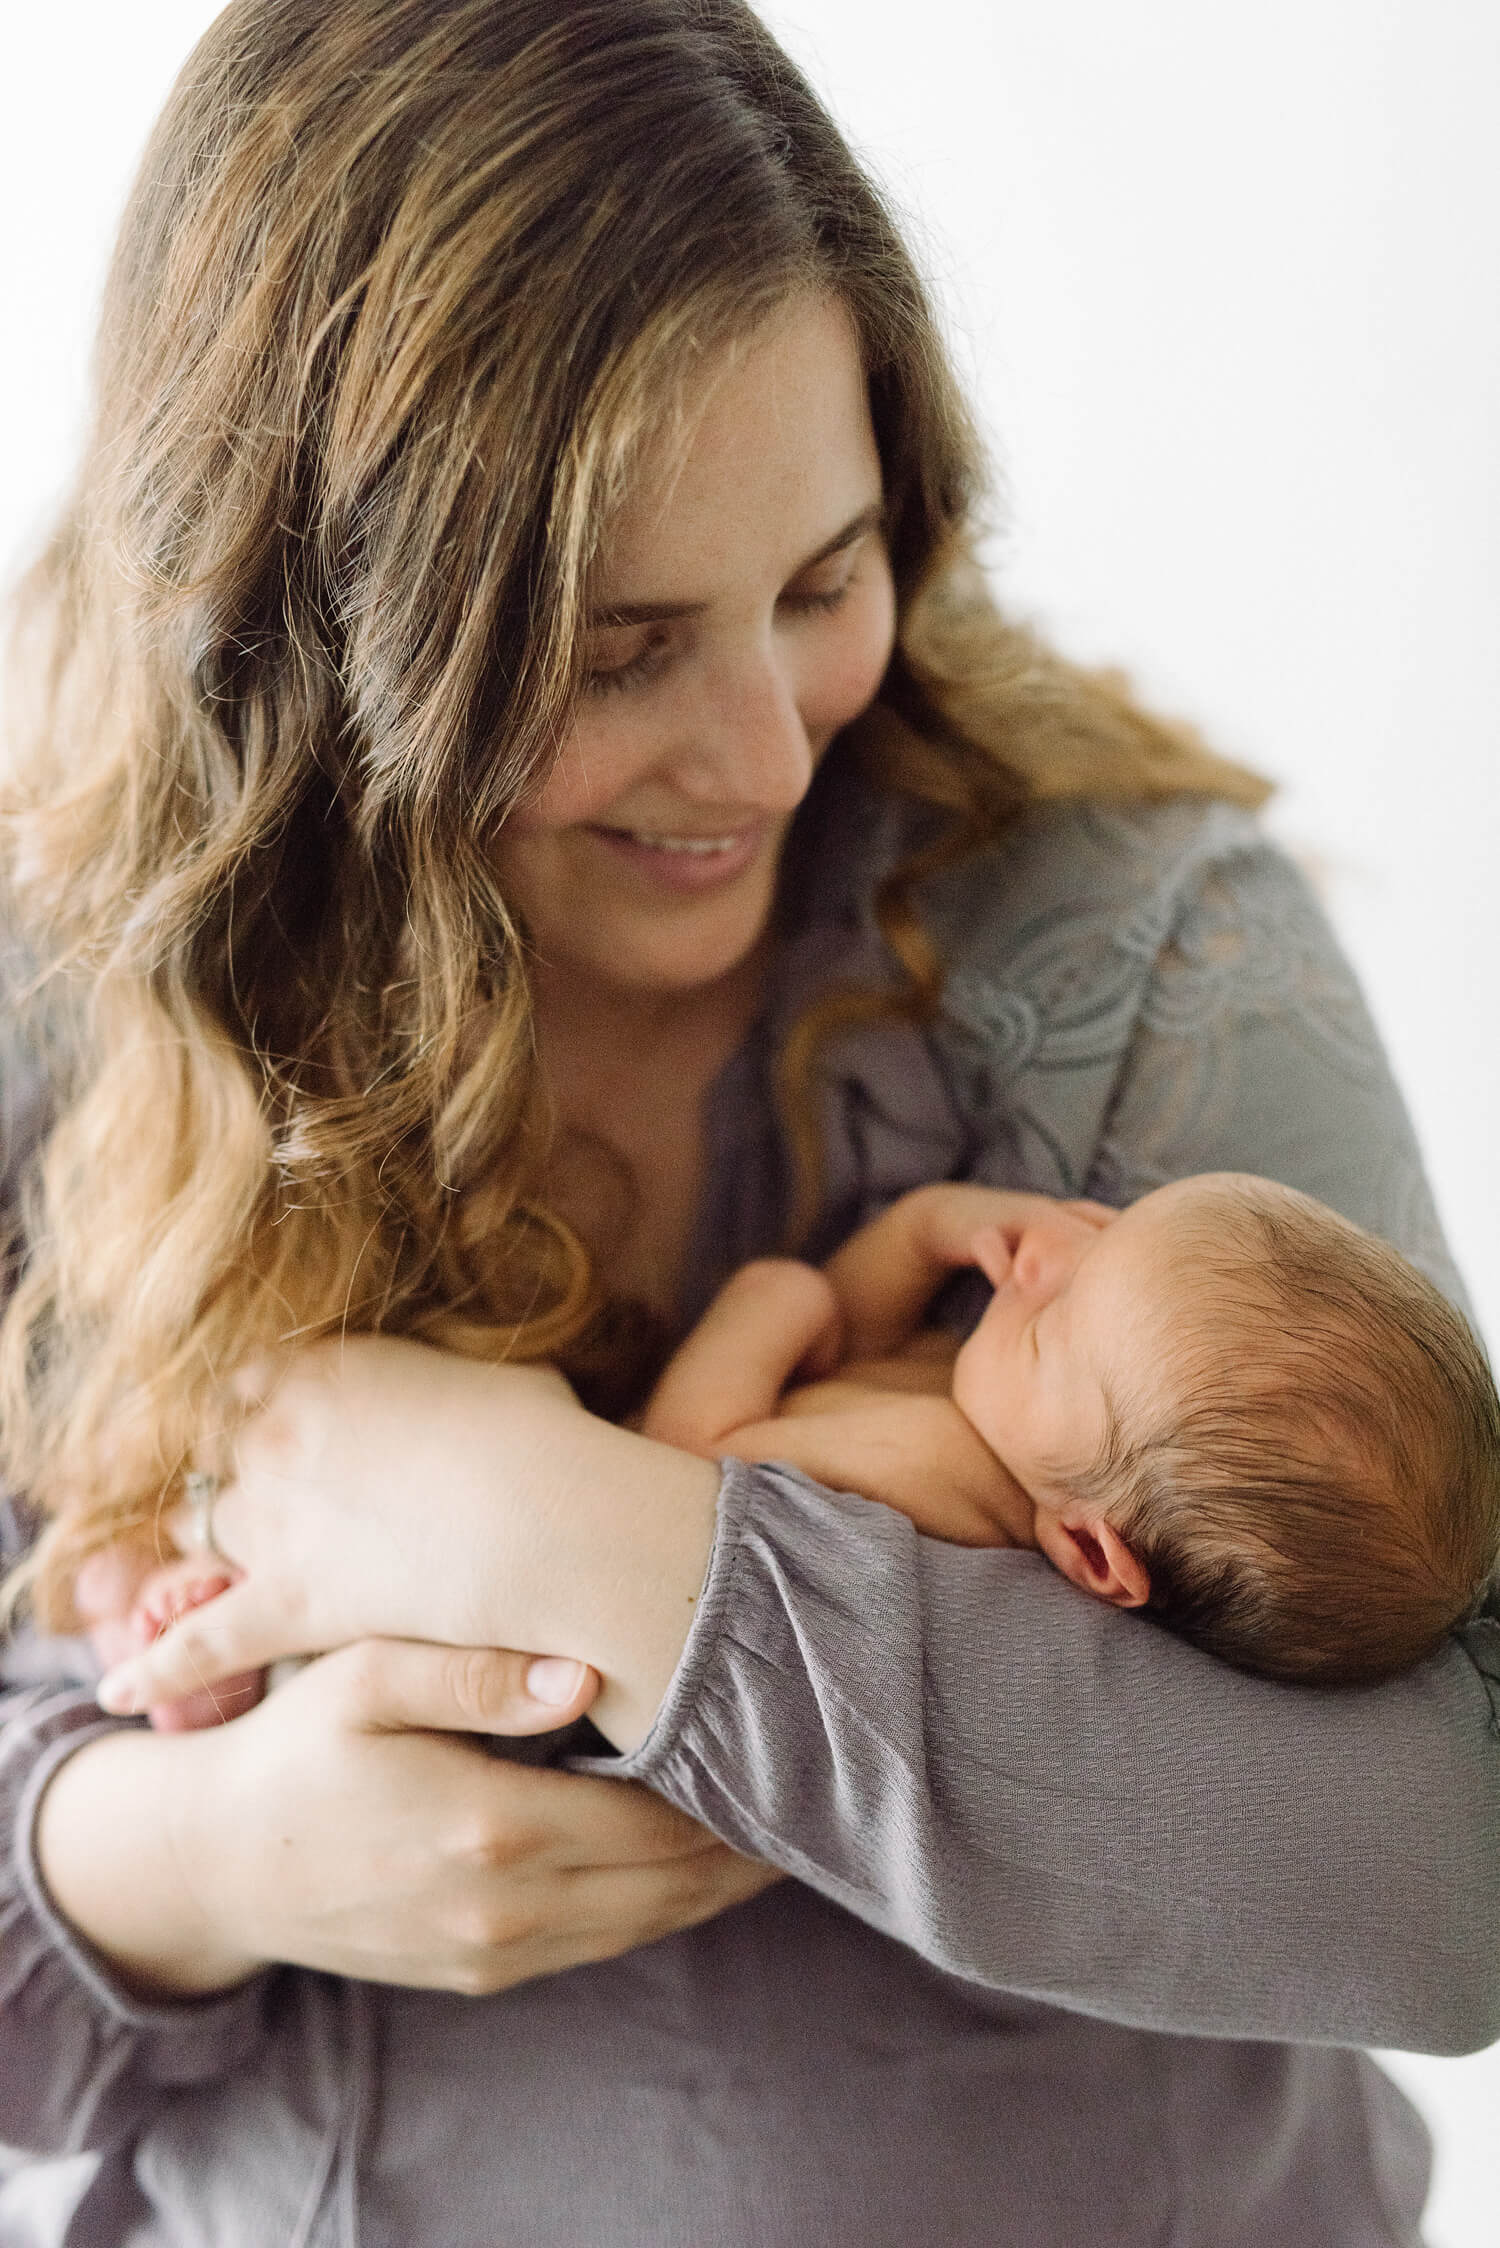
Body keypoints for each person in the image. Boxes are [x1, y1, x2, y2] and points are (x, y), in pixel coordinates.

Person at [1, 3, 1498, 2243]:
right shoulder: (80, 1004)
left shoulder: (1120, 944)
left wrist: (572, 1524)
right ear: (318, 657)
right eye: (614, 652)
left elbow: (1445, 1864)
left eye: (824, 579)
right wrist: (185, 1860)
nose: (774, 757)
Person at [108, 1172, 1500, 1713]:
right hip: (543, 1541)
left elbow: (682, 1459)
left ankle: (219, 1646)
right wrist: (928, 1231)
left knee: (398, 1600)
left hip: (552, 1639)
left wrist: (773, 1303)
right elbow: (877, 1337)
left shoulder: (941, 1492)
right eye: (1105, 1233)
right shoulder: (1006, 1439)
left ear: (1091, 1550)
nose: (1038, 1267)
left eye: (1054, 1322)